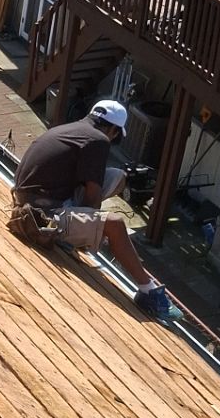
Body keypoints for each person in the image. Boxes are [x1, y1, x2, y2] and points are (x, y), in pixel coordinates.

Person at [9, 99, 173, 318]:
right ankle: (148, 291)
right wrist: (95, 232)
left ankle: (78, 232)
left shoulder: (72, 129)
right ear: (114, 130)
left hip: (31, 200)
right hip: (40, 217)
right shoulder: (99, 140)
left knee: (116, 176)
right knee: (115, 224)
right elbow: (93, 197)